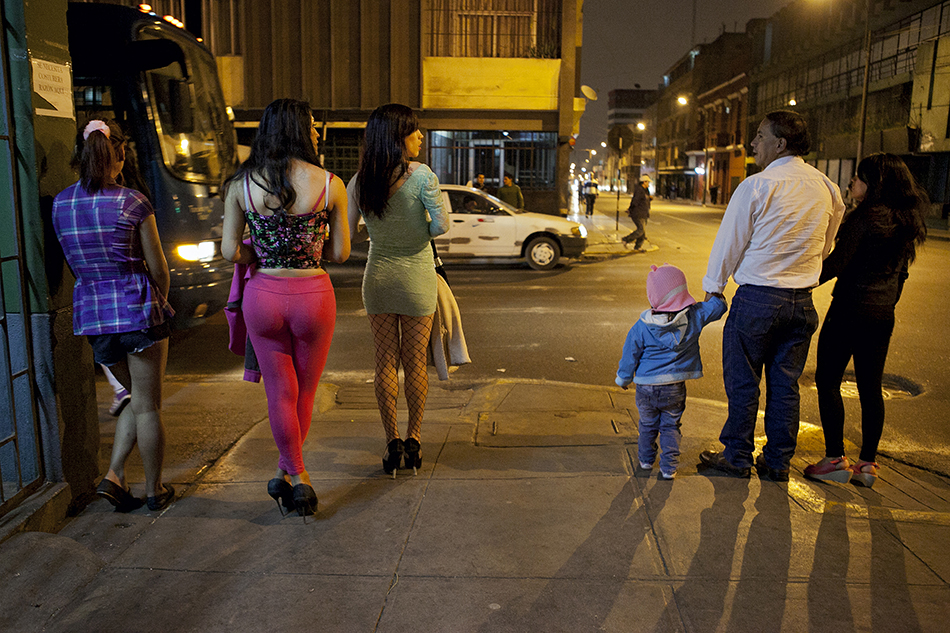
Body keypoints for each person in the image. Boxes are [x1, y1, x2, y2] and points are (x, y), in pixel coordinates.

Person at [699, 110, 845, 481]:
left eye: (760, 136)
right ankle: (778, 461)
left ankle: (737, 456)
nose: (753, 143)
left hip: (758, 301)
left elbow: (729, 242)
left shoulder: (757, 185)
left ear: (780, 144)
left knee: (743, 381)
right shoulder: (827, 187)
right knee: (785, 385)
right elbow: (825, 245)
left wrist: (714, 288)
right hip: (801, 303)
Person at [222, 99, 350, 517]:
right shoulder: (331, 184)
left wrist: (253, 252)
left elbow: (228, 251)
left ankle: (286, 474)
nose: (316, 132)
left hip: (263, 296)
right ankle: (300, 477)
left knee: (280, 391)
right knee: (306, 390)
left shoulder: (241, 185)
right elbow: (341, 252)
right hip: (313, 294)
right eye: (312, 125)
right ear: (299, 130)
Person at [53, 119, 175, 512]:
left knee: (133, 400)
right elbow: (157, 268)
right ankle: (155, 490)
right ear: (119, 155)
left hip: (93, 317)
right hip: (138, 312)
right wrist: (162, 302)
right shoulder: (133, 201)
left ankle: (113, 477)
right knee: (148, 405)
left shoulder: (61, 203)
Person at [804, 153, 928, 488]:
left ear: (873, 184)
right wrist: (884, 302)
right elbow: (900, 276)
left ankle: (834, 459)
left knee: (828, 381)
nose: (852, 183)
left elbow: (835, 266)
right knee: (870, 387)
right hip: (881, 313)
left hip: (849, 309)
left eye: (858, 178)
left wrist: (799, 276)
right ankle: (868, 464)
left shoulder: (864, 218)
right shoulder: (905, 220)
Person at [347, 103, 449, 477]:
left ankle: (391, 443)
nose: (420, 136)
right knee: (415, 362)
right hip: (417, 276)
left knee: (384, 361)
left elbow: (348, 230)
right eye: (413, 131)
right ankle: (415, 439)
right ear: (397, 137)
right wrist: (415, 229)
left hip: (378, 277)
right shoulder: (422, 176)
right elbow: (441, 226)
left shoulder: (359, 182)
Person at [616, 265, 727, 480]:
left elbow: (630, 354)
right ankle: (669, 468)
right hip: (674, 388)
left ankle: (646, 460)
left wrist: (624, 378)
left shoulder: (642, 326)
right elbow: (718, 307)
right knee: (671, 426)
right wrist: (716, 293)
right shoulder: (695, 316)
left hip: (646, 387)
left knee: (647, 425)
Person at [622, 177, 652, 250]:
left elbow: (644, 201)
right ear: (644, 182)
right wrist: (630, 209)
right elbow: (635, 201)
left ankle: (637, 247)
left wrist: (649, 199)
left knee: (642, 232)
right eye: (647, 182)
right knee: (641, 230)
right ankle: (626, 239)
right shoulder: (639, 190)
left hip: (644, 213)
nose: (648, 184)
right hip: (638, 213)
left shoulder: (646, 191)